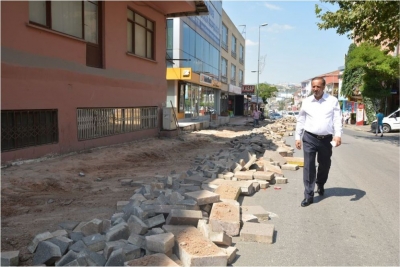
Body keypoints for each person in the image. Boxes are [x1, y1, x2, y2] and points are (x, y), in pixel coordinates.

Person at [295, 77, 342, 207]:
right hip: (309, 137)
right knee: (309, 166)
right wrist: (297, 137)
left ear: (323, 87)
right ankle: (308, 195)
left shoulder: (332, 101)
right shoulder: (307, 102)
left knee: (325, 164)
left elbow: (337, 119)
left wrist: (337, 135)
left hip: (326, 139)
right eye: (313, 86)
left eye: (318, 87)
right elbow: (301, 119)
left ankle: (320, 183)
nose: (315, 89)